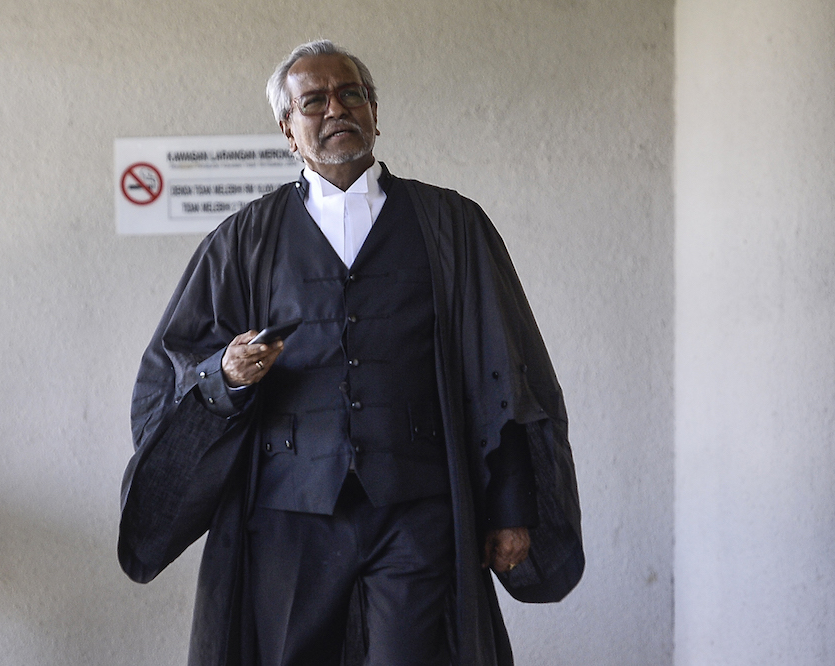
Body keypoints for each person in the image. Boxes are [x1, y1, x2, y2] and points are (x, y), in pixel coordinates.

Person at [118, 40, 584, 666]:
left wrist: (509, 508)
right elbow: (174, 372)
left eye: (351, 94)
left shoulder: (452, 226)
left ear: (375, 113)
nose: (336, 109)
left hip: (418, 511)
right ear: (288, 130)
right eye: (313, 101)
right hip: (288, 516)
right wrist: (226, 375)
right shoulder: (243, 242)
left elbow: (504, 373)